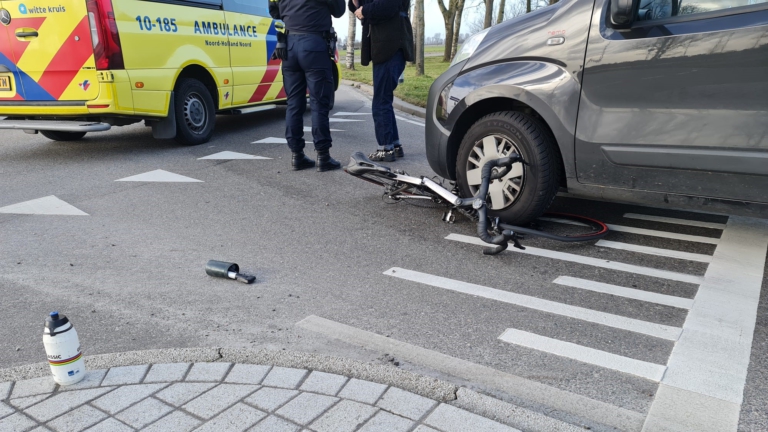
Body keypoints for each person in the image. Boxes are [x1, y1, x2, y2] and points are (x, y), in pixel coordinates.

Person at [269, 0, 345, 171]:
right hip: (314, 45)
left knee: (294, 104)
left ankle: (297, 155)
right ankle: (323, 156)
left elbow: (274, 11)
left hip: (289, 46)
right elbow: (339, 10)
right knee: (319, 103)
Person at [350, 0, 413, 162]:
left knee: (380, 101)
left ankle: (386, 149)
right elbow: (363, 8)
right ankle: (394, 145)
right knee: (384, 98)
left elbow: (388, 5)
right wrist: (356, 5)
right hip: (385, 46)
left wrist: (364, 10)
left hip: (389, 46)